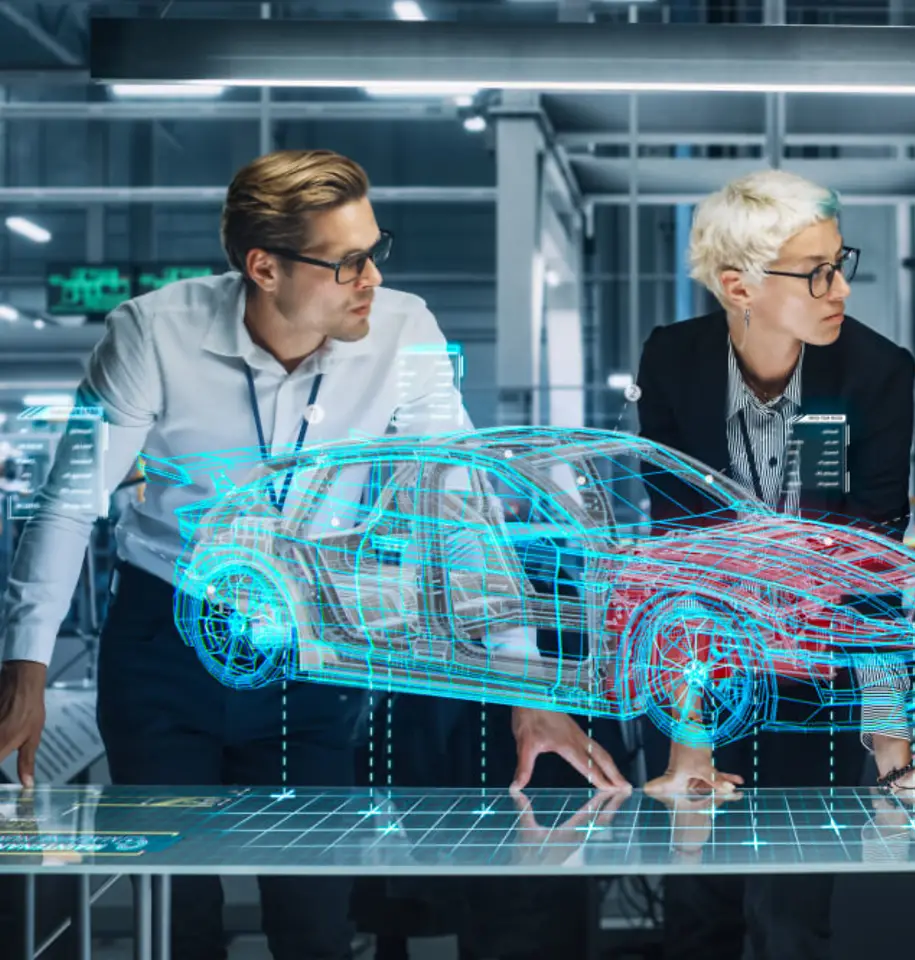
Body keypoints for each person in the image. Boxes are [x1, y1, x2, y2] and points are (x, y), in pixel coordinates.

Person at [0, 148, 625, 960]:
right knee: (173, 912)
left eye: (375, 250)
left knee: (314, 915)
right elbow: (68, 505)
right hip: (165, 643)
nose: (371, 278)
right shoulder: (152, 335)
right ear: (263, 266)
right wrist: (27, 671)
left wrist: (525, 682)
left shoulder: (406, 332)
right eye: (347, 262)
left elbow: (462, 508)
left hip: (309, 650)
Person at [634, 169, 915, 960]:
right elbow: (681, 553)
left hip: (818, 676)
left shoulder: (875, 374)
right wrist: (692, 736)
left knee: (793, 918)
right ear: (739, 286)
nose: (839, 290)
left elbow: (873, 564)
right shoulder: (676, 363)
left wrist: (894, 756)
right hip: (700, 670)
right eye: (815, 272)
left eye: (839, 263)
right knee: (696, 910)